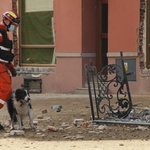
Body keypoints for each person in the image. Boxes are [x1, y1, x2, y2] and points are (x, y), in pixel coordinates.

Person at [0, 11, 20, 110]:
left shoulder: (3, 33)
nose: (14, 28)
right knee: (6, 90)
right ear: (7, 20)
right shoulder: (0, 32)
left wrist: (11, 67)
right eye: (13, 25)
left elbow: (4, 55)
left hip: (3, 66)